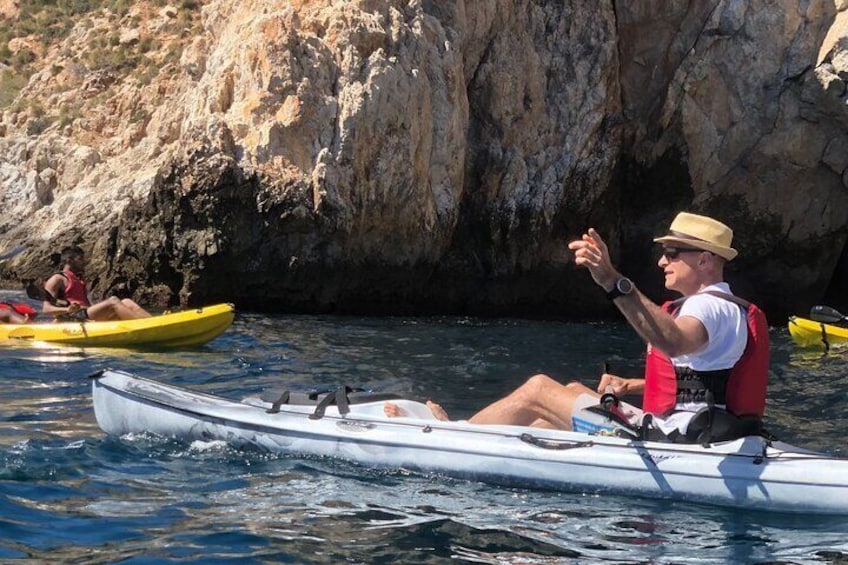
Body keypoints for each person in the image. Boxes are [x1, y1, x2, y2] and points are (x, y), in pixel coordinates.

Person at [385, 212, 768, 442]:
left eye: (671, 254)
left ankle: (454, 435)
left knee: (538, 389)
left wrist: (612, 281)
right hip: (693, 427)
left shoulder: (709, 306)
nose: (661, 263)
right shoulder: (723, 306)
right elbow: (698, 376)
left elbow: (671, 340)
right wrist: (630, 386)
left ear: (704, 260)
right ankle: (486, 440)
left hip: (678, 439)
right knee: (564, 396)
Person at [42, 246, 152, 321]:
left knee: (127, 302)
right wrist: (67, 309)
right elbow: (46, 309)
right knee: (113, 301)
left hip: (86, 314)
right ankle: (141, 325)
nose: (84, 262)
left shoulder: (79, 279)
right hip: (73, 316)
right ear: (69, 261)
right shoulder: (57, 279)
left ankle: (151, 321)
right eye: (80, 259)